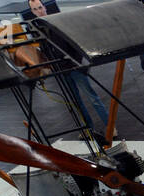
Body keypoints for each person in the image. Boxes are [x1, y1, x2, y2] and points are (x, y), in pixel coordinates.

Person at [24, 0, 111, 145]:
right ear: (32, 12)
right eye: (35, 9)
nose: (39, 11)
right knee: (75, 102)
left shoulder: (58, 22)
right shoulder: (36, 29)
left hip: (74, 67)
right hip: (60, 71)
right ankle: (88, 129)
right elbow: (42, 50)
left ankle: (110, 126)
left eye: (40, 7)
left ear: (44, 7)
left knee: (92, 97)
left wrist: (75, 63)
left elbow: (75, 43)